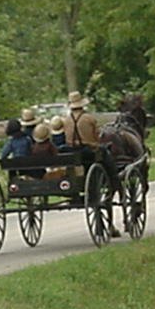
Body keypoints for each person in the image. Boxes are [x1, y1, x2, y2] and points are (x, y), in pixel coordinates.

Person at [63, 90, 121, 236]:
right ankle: (115, 181)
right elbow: (96, 137)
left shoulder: (66, 120)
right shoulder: (89, 119)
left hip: (72, 153)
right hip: (89, 153)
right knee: (107, 156)